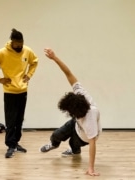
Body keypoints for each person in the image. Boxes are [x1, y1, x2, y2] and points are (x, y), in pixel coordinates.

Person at [40, 48, 101, 176]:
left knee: (73, 143)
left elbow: (92, 144)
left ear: (76, 112)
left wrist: (91, 168)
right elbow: (68, 73)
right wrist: (54, 58)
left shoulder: (90, 118)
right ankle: (54, 144)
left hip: (84, 136)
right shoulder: (80, 93)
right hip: (76, 124)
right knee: (56, 135)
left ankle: (75, 150)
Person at [0, 28, 38, 158]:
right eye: (17, 43)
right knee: (11, 120)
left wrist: (29, 75)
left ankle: (16, 143)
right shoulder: (2, 53)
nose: (19, 46)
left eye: (21, 43)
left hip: (23, 91)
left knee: (19, 119)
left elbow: (35, 62)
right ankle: (10, 145)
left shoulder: (27, 51)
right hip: (10, 91)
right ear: (12, 42)